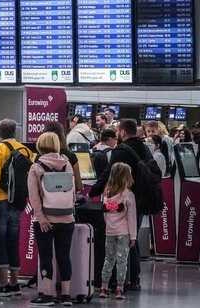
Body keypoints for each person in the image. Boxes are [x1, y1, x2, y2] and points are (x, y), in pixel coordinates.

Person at [89, 118, 148, 292]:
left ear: (122, 132)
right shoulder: (144, 148)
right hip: (140, 198)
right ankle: (132, 279)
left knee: (112, 253)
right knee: (133, 241)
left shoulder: (121, 150)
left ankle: (111, 282)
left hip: (121, 204)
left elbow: (109, 172)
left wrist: (94, 191)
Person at [0, 118, 33, 297]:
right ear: (15, 132)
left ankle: (3, 284)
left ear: (0, 133)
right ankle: (14, 283)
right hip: (19, 201)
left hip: (0, 200)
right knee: (13, 240)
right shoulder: (26, 150)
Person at [27, 132, 76, 307]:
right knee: (64, 256)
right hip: (67, 218)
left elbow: (34, 196)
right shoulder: (67, 164)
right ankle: (66, 295)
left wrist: (41, 217)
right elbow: (72, 192)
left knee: (46, 256)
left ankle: (47, 294)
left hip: (45, 220)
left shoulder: (36, 167)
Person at [99, 163, 137, 300]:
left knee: (108, 259)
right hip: (124, 233)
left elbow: (105, 214)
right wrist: (133, 236)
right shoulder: (128, 195)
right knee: (122, 260)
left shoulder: (106, 194)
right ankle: (119, 289)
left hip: (110, 231)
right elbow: (131, 217)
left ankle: (103, 287)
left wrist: (109, 225)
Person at [43, 121, 83, 193]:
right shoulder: (71, 156)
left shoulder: (40, 158)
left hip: (46, 201)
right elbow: (79, 186)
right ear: (62, 135)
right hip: (67, 201)